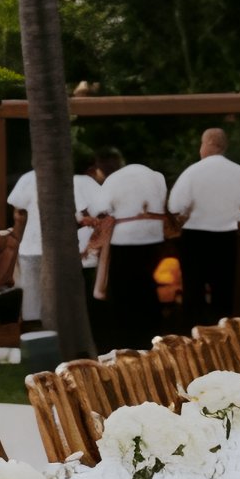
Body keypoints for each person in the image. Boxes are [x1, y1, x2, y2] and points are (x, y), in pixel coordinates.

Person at [165, 127, 240, 327]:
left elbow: (175, 206)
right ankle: (221, 335)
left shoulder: (192, 172)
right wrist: (236, 210)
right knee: (223, 289)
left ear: (208, 144)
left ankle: (194, 335)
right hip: (226, 236)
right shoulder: (239, 171)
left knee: (193, 289)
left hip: (195, 236)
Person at [4, 153, 107, 323]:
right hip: (64, 253)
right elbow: (89, 216)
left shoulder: (28, 179)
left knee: (32, 306)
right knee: (66, 306)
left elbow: (19, 215)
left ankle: (35, 340)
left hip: (31, 249)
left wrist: (15, 238)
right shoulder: (75, 181)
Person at [93, 147, 168, 351]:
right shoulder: (156, 177)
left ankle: (126, 338)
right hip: (153, 237)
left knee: (123, 290)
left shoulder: (114, 180)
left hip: (124, 239)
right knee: (147, 284)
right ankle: (152, 334)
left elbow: (99, 208)